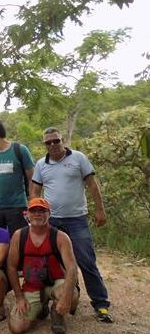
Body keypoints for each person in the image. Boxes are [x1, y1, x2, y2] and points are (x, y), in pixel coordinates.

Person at [30, 127, 113, 323]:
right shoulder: (42, 164)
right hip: (52, 221)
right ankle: (45, 301)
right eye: (48, 142)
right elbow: (35, 189)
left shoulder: (78, 158)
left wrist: (100, 211)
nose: (52, 145)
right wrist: (35, 213)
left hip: (77, 220)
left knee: (85, 260)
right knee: (47, 261)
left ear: (63, 140)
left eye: (56, 141)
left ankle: (100, 304)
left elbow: (92, 185)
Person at [7, 198, 79, 334]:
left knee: (72, 294)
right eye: (33, 210)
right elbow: (11, 267)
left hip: (56, 282)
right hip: (32, 286)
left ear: (49, 214)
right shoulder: (19, 236)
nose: (37, 214)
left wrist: (66, 299)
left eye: (42, 211)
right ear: (26, 214)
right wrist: (19, 297)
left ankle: (57, 313)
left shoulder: (61, 237)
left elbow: (71, 268)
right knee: (16, 327)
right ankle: (41, 306)